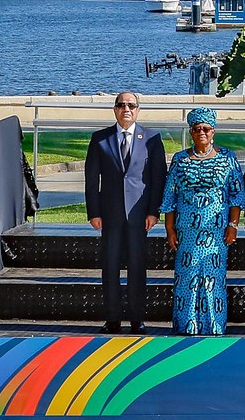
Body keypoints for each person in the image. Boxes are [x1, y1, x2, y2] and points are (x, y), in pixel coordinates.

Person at [84, 92, 165, 333]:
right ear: (114, 109)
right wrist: (93, 212)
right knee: (109, 266)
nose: (126, 109)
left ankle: (137, 318)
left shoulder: (152, 139)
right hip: (109, 215)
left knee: (137, 266)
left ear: (138, 110)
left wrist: (154, 211)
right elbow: (91, 180)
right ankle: (112, 319)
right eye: (121, 105)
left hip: (139, 216)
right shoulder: (100, 139)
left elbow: (158, 178)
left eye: (131, 105)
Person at [159, 108, 243, 336]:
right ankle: (187, 325)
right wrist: (169, 228)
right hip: (187, 232)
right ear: (191, 132)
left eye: (206, 129)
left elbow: (236, 195)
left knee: (213, 280)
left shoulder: (227, 158)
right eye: (197, 129)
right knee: (187, 279)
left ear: (213, 131)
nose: (202, 133)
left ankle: (214, 326)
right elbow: (170, 195)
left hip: (216, 232)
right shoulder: (180, 159)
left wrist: (233, 225)